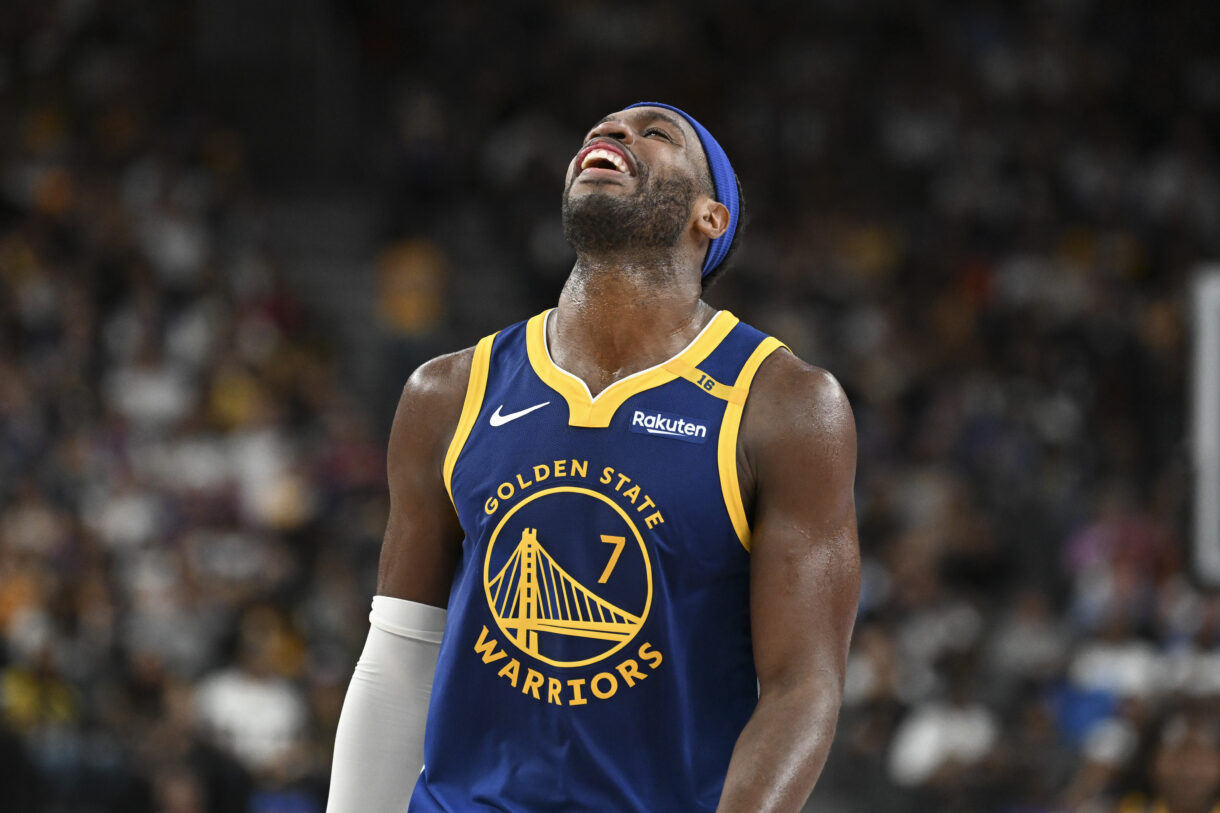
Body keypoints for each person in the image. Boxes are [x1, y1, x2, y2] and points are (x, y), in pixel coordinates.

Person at [326, 102, 861, 813]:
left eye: (656, 134)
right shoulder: (448, 391)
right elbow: (400, 653)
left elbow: (802, 684)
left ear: (712, 217)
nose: (611, 134)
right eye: (601, 130)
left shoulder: (784, 402)